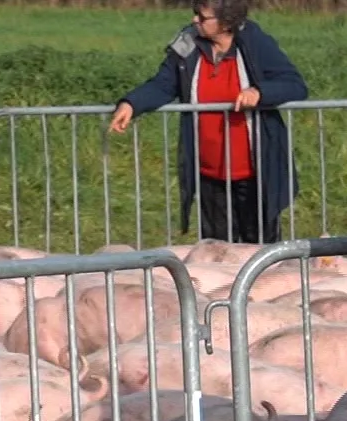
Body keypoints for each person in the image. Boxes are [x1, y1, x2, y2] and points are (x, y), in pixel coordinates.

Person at [109, 0, 308, 244]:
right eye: (195, 14)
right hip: (209, 174)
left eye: (202, 17)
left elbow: (294, 85)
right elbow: (163, 83)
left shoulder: (256, 43)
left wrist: (259, 93)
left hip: (256, 174)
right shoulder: (187, 43)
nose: (195, 21)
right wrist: (132, 103)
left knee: (260, 249)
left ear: (226, 22)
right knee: (217, 249)